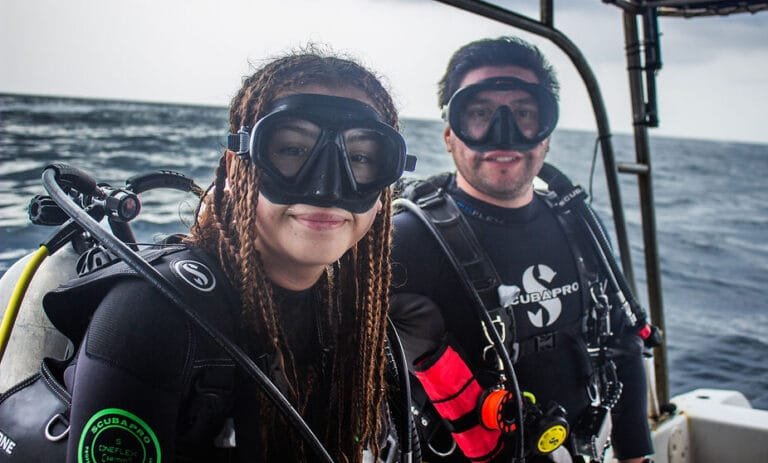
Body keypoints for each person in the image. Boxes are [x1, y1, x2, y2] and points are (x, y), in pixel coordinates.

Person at [59, 49, 415, 462]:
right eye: (293, 150)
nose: (326, 188)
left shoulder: (353, 315)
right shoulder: (148, 315)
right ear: (237, 166)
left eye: (360, 158)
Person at [390, 37, 653, 463]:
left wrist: (636, 454)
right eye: (480, 115)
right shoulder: (408, 241)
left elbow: (622, 341)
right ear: (449, 135)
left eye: (524, 114)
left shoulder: (579, 223)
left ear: (545, 135)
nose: (504, 134)